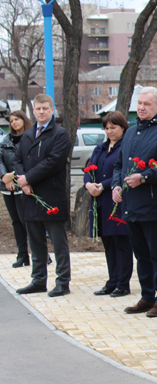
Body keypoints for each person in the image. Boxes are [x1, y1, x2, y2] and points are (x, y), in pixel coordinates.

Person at [113, 86, 157, 318]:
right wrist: (117, 185)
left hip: (151, 204)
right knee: (140, 254)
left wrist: (145, 177)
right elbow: (119, 164)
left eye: (147, 104)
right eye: (139, 103)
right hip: (130, 204)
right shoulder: (130, 132)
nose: (141, 107)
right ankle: (147, 296)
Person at [13, 95, 72, 297]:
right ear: (33, 111)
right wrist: (23, 180)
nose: (41, 112)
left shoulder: (60, 134)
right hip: (30, 196)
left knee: (58, 241)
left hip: (51, 195)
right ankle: (38, 280)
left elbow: (53, 162)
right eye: (38, 108)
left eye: (45, 108)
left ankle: (63, 281)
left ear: (52, 109)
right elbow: (17, 158)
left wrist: (28, 179)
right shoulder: (28, 135)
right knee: (35, 240)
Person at [86, 111, 133, 297]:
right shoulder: (100, 148)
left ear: (123, 127)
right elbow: (89, 168)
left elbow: (123, 172)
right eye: (106, 128)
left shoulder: (126, 147)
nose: (109, 131)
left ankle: (123, 283)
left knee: (121, 242)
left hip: (116, 200)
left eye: (113, 127)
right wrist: (88, 184)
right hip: (99, 201)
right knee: (108, 244)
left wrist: (104, 185)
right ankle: (112, 280)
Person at [1, 110, 31, 268]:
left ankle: (41, 253)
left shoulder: (30, 138)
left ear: (23, 120)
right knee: (16, 222)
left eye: (17, 119)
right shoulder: (6, 140)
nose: (14, 123)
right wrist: (4, 177)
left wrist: (13, 176)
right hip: (7, 186)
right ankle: (22, 255)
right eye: (11, 121)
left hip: (24, 184)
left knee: (28, 221)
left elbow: (29, 161)